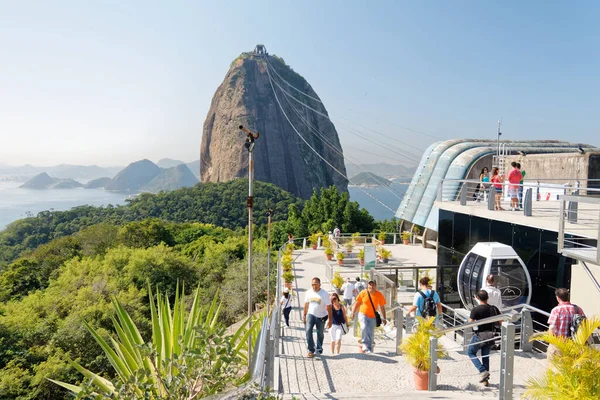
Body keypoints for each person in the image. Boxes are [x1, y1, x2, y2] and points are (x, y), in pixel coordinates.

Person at [468, 290, 501, 384]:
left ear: (478, 298)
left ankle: (482, 371)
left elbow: (469, 323)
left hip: (480, 335)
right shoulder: (494, 309)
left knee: (470, 352)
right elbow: (501, 321)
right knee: (485, 356)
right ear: (487, 298)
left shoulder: (476, 309)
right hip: (491, 336)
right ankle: (485, 380)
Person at [547, 288, 586, 359]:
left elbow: (552, 328)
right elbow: (585, 324)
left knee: (554, 366)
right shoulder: (578, 309)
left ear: (558, 298)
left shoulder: (556, 310)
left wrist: (550, 339)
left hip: (559, 344)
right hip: (574, 344)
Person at [351, 280, 387, 354]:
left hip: (373, 316)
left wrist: (384, 318)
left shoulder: (379, 295)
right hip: (363, 313)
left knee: (371, 332)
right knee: (363, 327)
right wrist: (353, 312)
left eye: (373, 285)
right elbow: (357, 303)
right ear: (367, 286)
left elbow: (382, 307)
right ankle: (364, 344)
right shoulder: (363, 292)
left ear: (375, 286)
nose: (371, 286)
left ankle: (369, 349)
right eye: (370, 285)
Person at [302, 277, 332, 357]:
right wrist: (304, 315)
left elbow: (329, 306)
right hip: (310, 314)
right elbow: (306, 304)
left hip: (321, 316)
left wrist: (330, 320)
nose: (314, 286)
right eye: (312, 284)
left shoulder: (324, 293)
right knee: (308, 330)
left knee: (320, 334)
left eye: (316, 284)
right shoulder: (308, 292)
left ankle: (319, 348)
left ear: (319, 284)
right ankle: (311, 349)